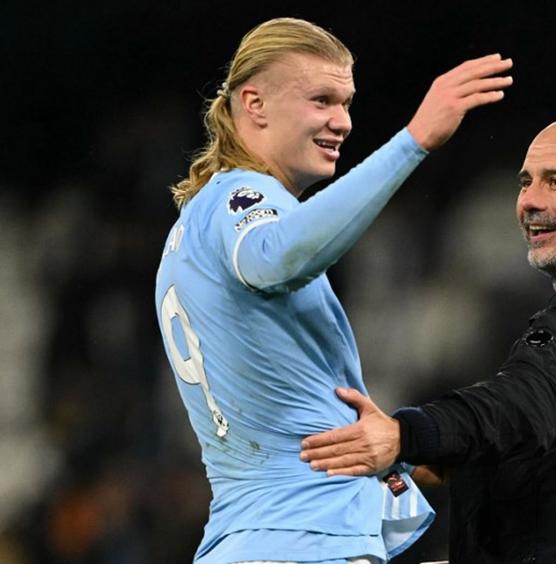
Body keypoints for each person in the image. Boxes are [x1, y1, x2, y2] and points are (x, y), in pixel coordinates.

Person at [154, 17, 512, 564]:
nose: (341, 122)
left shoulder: (195, 225)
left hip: (260, 536)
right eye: (322, 99)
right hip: (300, 536)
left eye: (346, 102)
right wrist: (413, 141)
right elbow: (276, 256)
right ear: (254, 104)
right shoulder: (242, 199)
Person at [300, 115, 556, 563]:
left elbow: (522, 404)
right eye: (525, 182)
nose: (529, 201)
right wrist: (459, 460)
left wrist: (406, 433)